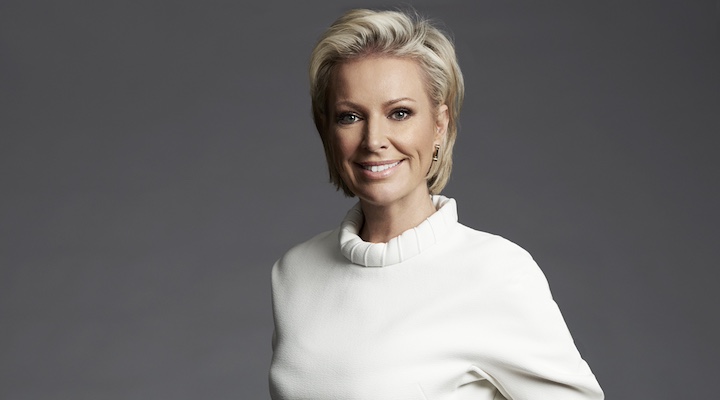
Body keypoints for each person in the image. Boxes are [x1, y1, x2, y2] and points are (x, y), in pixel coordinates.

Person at [269, 8, 604, 400]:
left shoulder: (494, 273)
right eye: (350, 116)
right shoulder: (294, 273)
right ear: (327, 129)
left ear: (439, 125)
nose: (374, 140)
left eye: (399, 113)